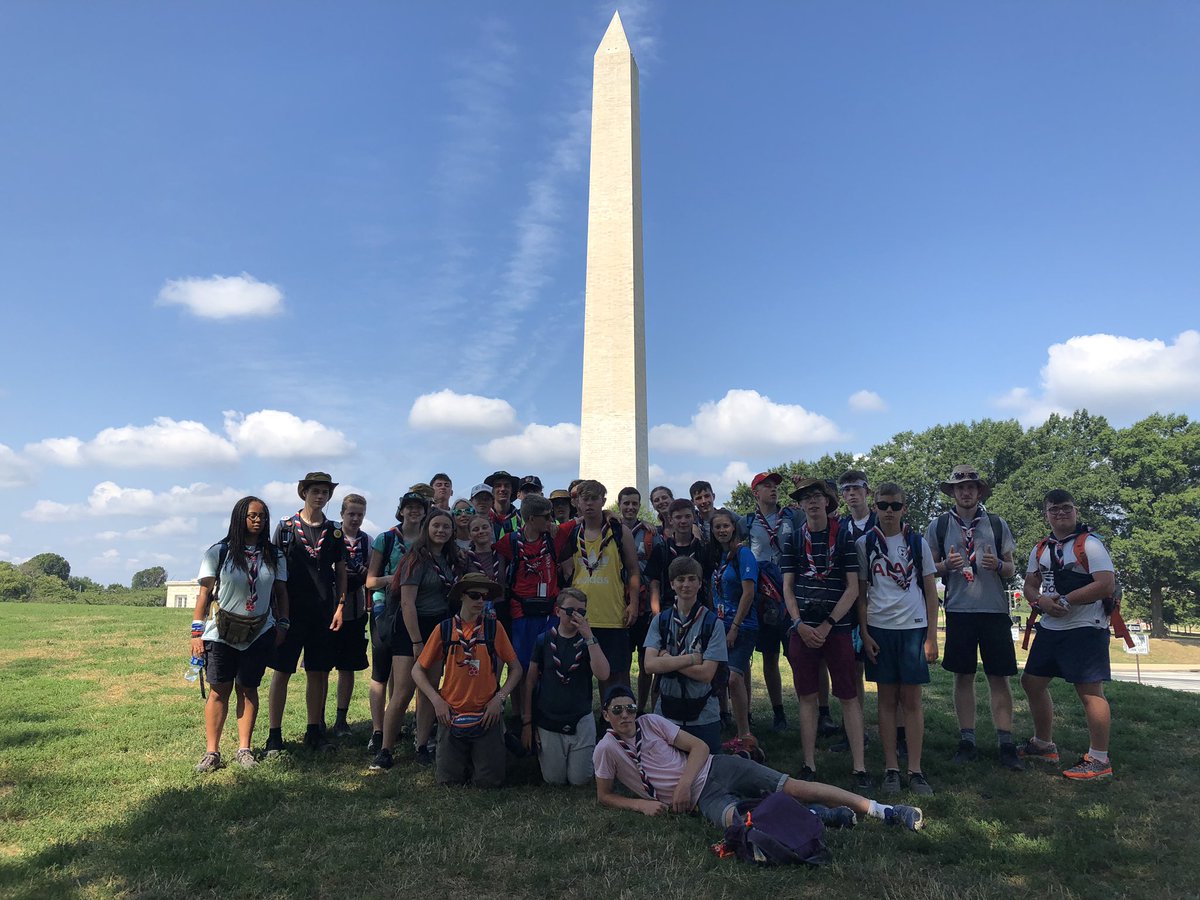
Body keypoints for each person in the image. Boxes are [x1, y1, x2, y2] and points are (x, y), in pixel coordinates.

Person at [593, 685, 924, 831]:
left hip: (719, 767)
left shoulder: (651, 722)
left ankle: (885, 811)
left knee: (793, 787)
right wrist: (641, 804)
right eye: (618, 710)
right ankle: (820, 818)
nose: (626, 715)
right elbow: (605, 795)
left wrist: (680, 786)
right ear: (606, 715)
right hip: (702, 800)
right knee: (741, 823)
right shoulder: (606, 750)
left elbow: (700, 747)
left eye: (630, 707)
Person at [925, 465, 1023, 771]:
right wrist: (945, 565)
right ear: (952, 492)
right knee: (962, 677)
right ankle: (966, 740)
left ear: (979, 492)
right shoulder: (938, 526)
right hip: (959, 611)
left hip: (994, 611)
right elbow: (928, 569)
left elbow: (1012, 568)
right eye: (959, 487)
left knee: (999, 677)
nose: (965, 492)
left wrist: (998, 566)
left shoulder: (996, 523)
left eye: (971, 487)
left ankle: (1006, 743)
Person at [1019, 489, 1117, 780]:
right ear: (1046, 514)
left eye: (1066, 508)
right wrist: (1040, 602)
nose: (1060, 513)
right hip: (1051, 626)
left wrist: (1066, 600)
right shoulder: (1041, 548)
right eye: (1054, 509)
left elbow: (1106, 584)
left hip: (1086, 626)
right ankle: (1043, 744)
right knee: (1032, 682)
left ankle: (1099, 759)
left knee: (1089, 691)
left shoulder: (1091, 545)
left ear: (1075, 510)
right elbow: (1029, 585)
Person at [192, 497, 290, 772]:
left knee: (248, 689)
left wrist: (283, 624)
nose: (258, 520)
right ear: (239, 518)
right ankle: (212, 752)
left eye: (262, 516)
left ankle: (244, 749)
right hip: (221, 633)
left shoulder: (275, 555)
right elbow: (204, 594)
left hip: (260, 631)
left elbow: (281, 592)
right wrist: (195, 633)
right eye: (252, 516)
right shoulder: (219, 552)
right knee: (219, 690)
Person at [856, 483, 940, 796]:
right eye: (882, 505)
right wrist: (864, 633)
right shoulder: (864, 543)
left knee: (912, 701)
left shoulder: (918, 543)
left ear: (904, 508)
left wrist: (931, 635)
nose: (888, 511)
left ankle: (915, 769)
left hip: (913, 628)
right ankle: (891, 768)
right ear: (874, 507)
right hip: (880, 628)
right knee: (886, 700)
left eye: (895, 505)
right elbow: (862, 594)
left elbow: (930, 591)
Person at [781, 477, 864, 787]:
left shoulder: (844, 538)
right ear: (800, 505)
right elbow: (787, 588)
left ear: (829, 502)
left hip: (837, 628)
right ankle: (809, 763)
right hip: (802, 629)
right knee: (807, 696)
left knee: (848, 696)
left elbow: (853, 588)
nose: (812, 501)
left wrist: (828, 624)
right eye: (806, 498)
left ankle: (859, 767)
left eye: (818, 496)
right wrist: (799, 624)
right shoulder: (791, 540)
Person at [371, 509, 466, 770]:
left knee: (429, 690)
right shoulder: (415, 558)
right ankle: (385, 749)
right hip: (411, 626)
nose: (441, 531)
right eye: (436, 525)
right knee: (403, 691)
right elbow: (407, 602)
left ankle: (422, 745)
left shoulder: (452, 558)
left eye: (446, 527)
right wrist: (416, 641)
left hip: (439, 626)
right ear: (427, 528)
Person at [411, 573, 522, 787]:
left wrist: (499, 699)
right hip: (451, 716)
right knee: (448, 782)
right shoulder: (444, 629)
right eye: (474, 595)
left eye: (484, 597)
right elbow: (417, 670)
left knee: (489, 783)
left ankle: (484, 757)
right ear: (461, 596)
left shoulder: (494, 628)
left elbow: (516, 669)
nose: (481, 601)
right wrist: (437, 701)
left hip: (486, 716)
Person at [265, 472, 347, 756]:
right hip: (291, 612)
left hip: (323, 612)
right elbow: (274, 571)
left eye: (325, 492)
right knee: (282, 672)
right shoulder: (285, 528)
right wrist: (276, 611)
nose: (320, 496)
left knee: (319, 673)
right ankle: (274, 735)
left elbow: (341, 571)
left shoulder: (335, 531)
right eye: (315, 491)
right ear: (304, 493)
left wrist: (340, 606)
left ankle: (315, 731)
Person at [522, 587, 610, 784]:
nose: (575, 616)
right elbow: (530, 681)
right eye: (570, 611)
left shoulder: (589, 641)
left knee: (580, 780)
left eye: (581, 612)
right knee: (554, 780)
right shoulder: (543, 640)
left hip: (580, 718)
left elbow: (603, 674)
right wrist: (528, 722)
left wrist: (589, 638)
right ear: (558, 611)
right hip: (549, 719)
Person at [644, 555, 728, 753]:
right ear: (672, 584)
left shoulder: (713, 624)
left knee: (708, 774)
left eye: (692, 579)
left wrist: (666, 660)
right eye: (680, 580)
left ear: (700, 583)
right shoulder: (661, 621)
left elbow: (707, 674)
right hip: (666, 712)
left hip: (704, 714)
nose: (686, 585)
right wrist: (690, 659)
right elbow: (649, 666)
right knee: (667, 775)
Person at [364, 490, 427, 753]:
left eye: (419, 507)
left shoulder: (426, 539)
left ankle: (398, 725)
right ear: (400, 510)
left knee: (404, 674)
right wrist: (397, 578)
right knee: (381, 671)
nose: (413, 511)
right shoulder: (386, 538)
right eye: (408, 507)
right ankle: (378, 731)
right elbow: (369, 581)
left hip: (415, 609)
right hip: (385, 610)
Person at [569, 480, 641, 698]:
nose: (589, 503)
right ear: (578, 503)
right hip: (580, 616)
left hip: (613, 614)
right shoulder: (571, 532)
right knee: (578, 674)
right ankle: (586, 719)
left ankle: (618, 721)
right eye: (585, 499)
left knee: (616, 674)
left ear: (603, 501)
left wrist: (634, 604)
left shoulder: (620, 531)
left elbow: (633, 570)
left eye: (594, 498)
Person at [828, 470, 882, 752]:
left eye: (856, 488)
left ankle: (897, 735)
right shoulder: (841, 526)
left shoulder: (882, 520)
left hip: (881, 605)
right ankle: (856, 733)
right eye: (846, 489)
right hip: (849, 606)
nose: (851, 494)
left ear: (867, 491)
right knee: (852, 670)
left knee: (885, 674)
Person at [743, 471, 795, 733]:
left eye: (775, 486)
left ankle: (818, 712)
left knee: (799, 656)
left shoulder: (791, 517)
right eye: (767, 486)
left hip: (790, 592)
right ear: (756, 493)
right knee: (770, 657)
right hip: (764, 597)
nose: (773, 490)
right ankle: (778, 713)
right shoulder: (748, 521)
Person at [709, 509, 758, 747]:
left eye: (725, 526)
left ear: (734, 527)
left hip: (742, 625)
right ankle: (733, 727)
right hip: (721, 625)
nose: (721, 531)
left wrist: (735, 627)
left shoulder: (743, 553)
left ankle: (744, 733)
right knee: (724, 677)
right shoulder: (721, 556)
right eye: (717, 527)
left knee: (734, 678)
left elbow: (749, 592)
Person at [332, 493, 371, 738]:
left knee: (348, 667)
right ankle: (316, 721)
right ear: (342, 514)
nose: (355, 519)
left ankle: (341, 719)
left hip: (355, 609)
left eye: (360, 514)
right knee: (321, 667)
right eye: (351, 514)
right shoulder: (331, 537)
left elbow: (370, 573)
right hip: (330, 608)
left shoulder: (368, 541)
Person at [617, 486, 659, 713]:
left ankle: (642, 708)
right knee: (622, 661)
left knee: (646, 662)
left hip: (644, 607)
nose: (630, 507)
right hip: (619, 603)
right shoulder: (611, 529)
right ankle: (624, 705)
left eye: (634, 503)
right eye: (626, 503)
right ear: (619, 504)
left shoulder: (650, 532)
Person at [647, 499, 712, 614]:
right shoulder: (661, 549)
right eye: (678, 517)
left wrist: (710, 613)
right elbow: (654, 584)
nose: (683, 521)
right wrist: (656, 615)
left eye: (687, 516)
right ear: (670, 520)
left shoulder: (703, 549)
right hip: (668, 609)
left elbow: (709, 583)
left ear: (694, 518)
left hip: (698, 609)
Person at [466, 513, 508, 632]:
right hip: (474, 609)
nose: (481, 531)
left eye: (485, 527)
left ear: (491, 529)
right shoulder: (465, 558)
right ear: (469, 535)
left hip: (501, 609)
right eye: (475, 529)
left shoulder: (502, 554)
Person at [485, 470, 522, 539]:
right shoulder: (483, 518)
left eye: (506, 485)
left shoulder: (520, 518)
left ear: (512, 490)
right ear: (492, 491)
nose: (502, 489)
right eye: (498, 486)